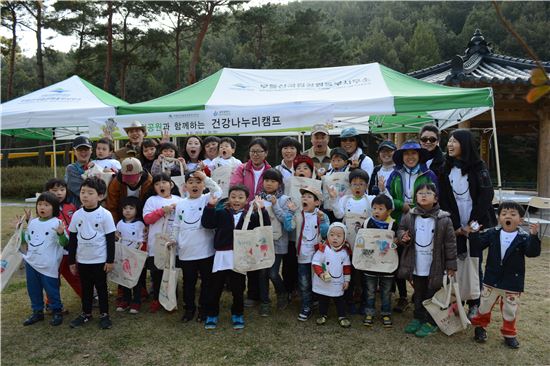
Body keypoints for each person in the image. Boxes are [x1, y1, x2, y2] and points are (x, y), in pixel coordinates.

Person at [439, 129, 496, 318]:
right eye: (448, 141)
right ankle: (456, 301)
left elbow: (486, 196)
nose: (450, 145)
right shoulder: (445, 168)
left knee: (474, 263)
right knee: (454, 262)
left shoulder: (479, 167)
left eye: (454, 141)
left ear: (465, 144)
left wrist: (471, 224)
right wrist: (455, 226)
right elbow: (445, 199)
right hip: (455, 223)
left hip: (475, 222)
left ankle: (475, 303)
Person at [469, 201, 541, 349]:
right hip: (491, 279)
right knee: (484, 306)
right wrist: (474, 234)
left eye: (513, 214)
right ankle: (480, 328)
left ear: (520, 220)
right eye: (504, 214)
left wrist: (534, 236)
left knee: (510, 309)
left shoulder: (523, 237)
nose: (508, 216)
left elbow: (532, 253)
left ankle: (509, 334)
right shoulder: (492, 233)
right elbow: (477, 247)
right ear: (499, 218)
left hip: (512, 281)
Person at [201, 186, 270, 330]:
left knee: (238, 288)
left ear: (246, 200)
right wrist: (210, 206)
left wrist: (262, 209)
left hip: (240, 256)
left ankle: (237, 313)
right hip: (221, 255)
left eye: (240, 197)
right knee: (216, 287)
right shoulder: (221, 213)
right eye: (233, 197)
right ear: (229, 198)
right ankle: (212, 314)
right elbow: (207, 224)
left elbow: (265, 226)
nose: (236, 200)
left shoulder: (251, 215)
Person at [397, 183, 457, 338]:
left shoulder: (444, 219)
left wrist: (451, 265)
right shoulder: (409, 215)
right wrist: (403, 236)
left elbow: (450, 244)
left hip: (435, 266)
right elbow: (400, 229)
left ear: (435, 198)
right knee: (418, 293)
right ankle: (418, 318)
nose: (424, 195)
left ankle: (431, 321)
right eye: (420, 193)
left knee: (433, 295)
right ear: (415, 197)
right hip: (416, 264)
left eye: (428, 193)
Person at [386, 139, 439, 313]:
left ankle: (420, 294)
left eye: (414, 153)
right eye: (407, 154)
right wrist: (402, 204)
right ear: (402, 157)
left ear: (419, 155)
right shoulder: (394, 174)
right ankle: (402, 296)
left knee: (420, 257)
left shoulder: (429, 174)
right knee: (398, 258)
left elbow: (434, 195)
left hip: (423, 219)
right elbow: (387, 197)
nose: (410, 157)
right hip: (398, 219)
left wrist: (418, 207)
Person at [328, 169, 385, 314]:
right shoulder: (344, 200)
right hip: (348, 244)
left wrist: (383, 191)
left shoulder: (371, 200)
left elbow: (384, 206)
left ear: (366, 186)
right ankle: (349, 301)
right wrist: (334, 199)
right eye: (354, 184)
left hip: (366, 244)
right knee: (350, 274)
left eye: (361, 184)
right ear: (349, 185)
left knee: (365, 276)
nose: (357, 187)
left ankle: (366, 303)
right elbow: (339, 214)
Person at [171, 170, 221, 323]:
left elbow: (218, 191)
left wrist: (206, 178)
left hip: (205, 250)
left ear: (203, 185)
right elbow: (176, 225)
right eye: (191, 182)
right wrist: (174, 240)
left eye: (198, 182)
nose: (194, 185)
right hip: (187, 251)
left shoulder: (207, 199)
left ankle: (203, 309)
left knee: (207, 282)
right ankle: (189, 309)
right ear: (185, 186)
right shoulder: (181, 204)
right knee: (188, 282)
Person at [68, 177, 116, 329]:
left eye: (90, 193)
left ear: (100, 196)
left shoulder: (105, 214)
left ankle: (104, 315)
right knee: (86, 288)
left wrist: (110, 260)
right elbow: (73, 240)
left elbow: (110, 240)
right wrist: (71, 261)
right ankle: (86, 313)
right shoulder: (77, 215)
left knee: (101, 288)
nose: (85, 196)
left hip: (100, 260)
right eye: (83, 192)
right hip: (83, 260)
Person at [230, 137, 272, 307]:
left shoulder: (270, 170)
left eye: (259, 151)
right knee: (244, 251)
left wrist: (261, 204)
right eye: (253, 151)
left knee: (258, 255)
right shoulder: (241, 169)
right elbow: (234, 187)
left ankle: (257, 294)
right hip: (243, 215)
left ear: (266, 153)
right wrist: (247, 203)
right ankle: (244, 291)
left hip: (261, 215)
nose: (255, 154)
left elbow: (274, 187)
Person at [21, 192, 67, 327]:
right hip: (32, 262)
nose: (42, 207)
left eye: (46, 205)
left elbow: (64, 243)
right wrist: (20, 230)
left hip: (48, 265)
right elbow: (27, 240)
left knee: (51, 289)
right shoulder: (33, 222)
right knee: (33, 289)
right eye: (40, 204)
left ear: (54, 207)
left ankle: (57, 311)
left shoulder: (57, 223)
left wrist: (61, 233)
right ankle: (37, 312)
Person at [284, 186, 329, 321]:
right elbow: (288, 227)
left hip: (318, 256)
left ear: (316, 202)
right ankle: (306, 306)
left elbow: (326, 233)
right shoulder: (298, 214)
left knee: (319, 280)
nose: (305, 198)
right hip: (303, 255)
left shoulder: (321, 215)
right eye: (303, 196)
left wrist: (323, 221)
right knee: (304, 282)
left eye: (309, 197)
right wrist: (290, 213)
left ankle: (319, 304)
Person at [142, 173, 183, 313]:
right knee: (157, 271)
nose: (161, 186)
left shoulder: (179, 200)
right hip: (157, 243)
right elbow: (147, 219)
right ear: (154, 187)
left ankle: (172, 297)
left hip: (173, 242)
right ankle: (157, 299)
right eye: (157, 184)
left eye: (164, 182)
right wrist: (162, 211)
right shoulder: (152, 200)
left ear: (171, 184)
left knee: (172, 270)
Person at [362, 194, 399, 328]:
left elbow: (396, 245)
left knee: (386, 290)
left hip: (387, 264)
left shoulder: (393, 224)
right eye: (374, 208)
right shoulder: (367, 222)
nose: (376, 211)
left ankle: (386, 312)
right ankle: (369, 312)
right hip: (370, 264)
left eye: (380, 209)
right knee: (370, 289)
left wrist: (395, 242)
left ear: (389, 211)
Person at [259, 169, 292, 313]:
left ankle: (282, 293)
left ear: (279, 184)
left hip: (278, 241)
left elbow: (286, 221)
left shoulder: (284, 199)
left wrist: (275, 205)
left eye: (273, 181)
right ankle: (265, 301)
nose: (269, 184)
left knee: (273, 272)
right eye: (267, 180)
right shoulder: (259, 198)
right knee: (262, 273)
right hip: (262, 242)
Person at [44, 178, 82, 301]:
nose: (59, 193)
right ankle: (51, 303)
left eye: (62, 189)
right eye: (54, 190)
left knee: (75, 275)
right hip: (55, 250)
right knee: (53, 277)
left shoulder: (71, 206)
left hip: (71, 248)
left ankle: (87, 298)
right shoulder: (47, 211)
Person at [312, 222, 352, 328]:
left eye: (339, 236)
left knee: (339, 299)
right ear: (328, 235)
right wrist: (320, 274)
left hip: (338, 281)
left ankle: (342, 316)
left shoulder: (344, 252)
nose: (335, 238)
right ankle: (322, 314)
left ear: (344, 238)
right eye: (332, 235)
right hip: (324, 280)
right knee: (323, 298)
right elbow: (316, 262)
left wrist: (347, 280)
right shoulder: (323, 249)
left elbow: (347, 267)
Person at [114, 196, 146, 314]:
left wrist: (140, 256)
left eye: (131, 208)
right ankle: (125, 299)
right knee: (124, 280)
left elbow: (142, 242)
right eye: (125, 208)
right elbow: (118, 239)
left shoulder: (140, 225)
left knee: (135, 281)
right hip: (123, 257)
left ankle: (136, 302)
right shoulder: (119, 223)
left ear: (137, 210)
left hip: (135, 257)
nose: (127, 211)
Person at [105, 157, 153, 224]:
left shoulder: (149, 182)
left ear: (141, 174)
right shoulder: (116, 182)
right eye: (127, 178)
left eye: (133, 179)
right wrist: (114, 226)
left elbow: (150, 207)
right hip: (122, 217)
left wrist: (146, 225)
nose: (131, 182)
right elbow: (112, 206)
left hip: (142, 215)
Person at [65, 136, 93, 208]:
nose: (83, 152)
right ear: (74, 152)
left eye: (86, 149)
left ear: (91, 150)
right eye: (80, 149)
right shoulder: (71, 169)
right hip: (77, 209)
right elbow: (79, 189)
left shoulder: (97, 165)